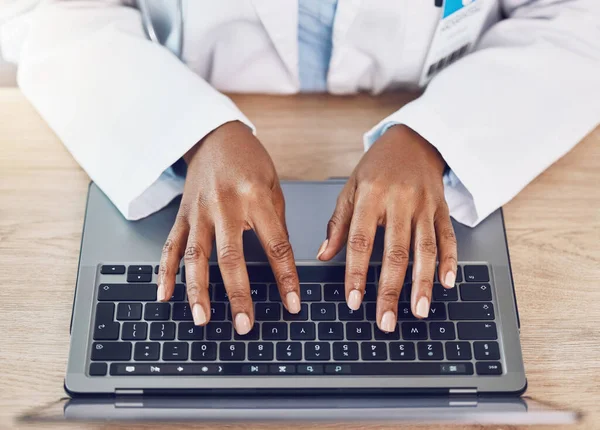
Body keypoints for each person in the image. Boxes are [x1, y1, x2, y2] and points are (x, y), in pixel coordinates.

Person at [1, 0, 598, 336]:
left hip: (437, 107)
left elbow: (578, 19)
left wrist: (436, 135)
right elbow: (54, 15)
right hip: (173, 109)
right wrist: (191, 130)